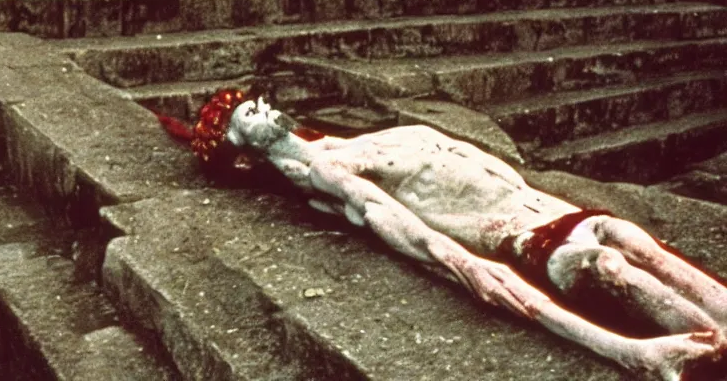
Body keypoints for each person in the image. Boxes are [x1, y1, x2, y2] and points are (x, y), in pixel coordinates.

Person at [168, 89, 727, 380]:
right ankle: (695, 350)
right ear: (246, 153)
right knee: (609, 266)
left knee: (623, 232)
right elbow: (430, 246)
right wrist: (626, 350)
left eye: (254, 101)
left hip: (548, 207)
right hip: (516, 237)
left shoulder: (347, 143)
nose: (263, 106)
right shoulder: (328, 173)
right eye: (249, 115)